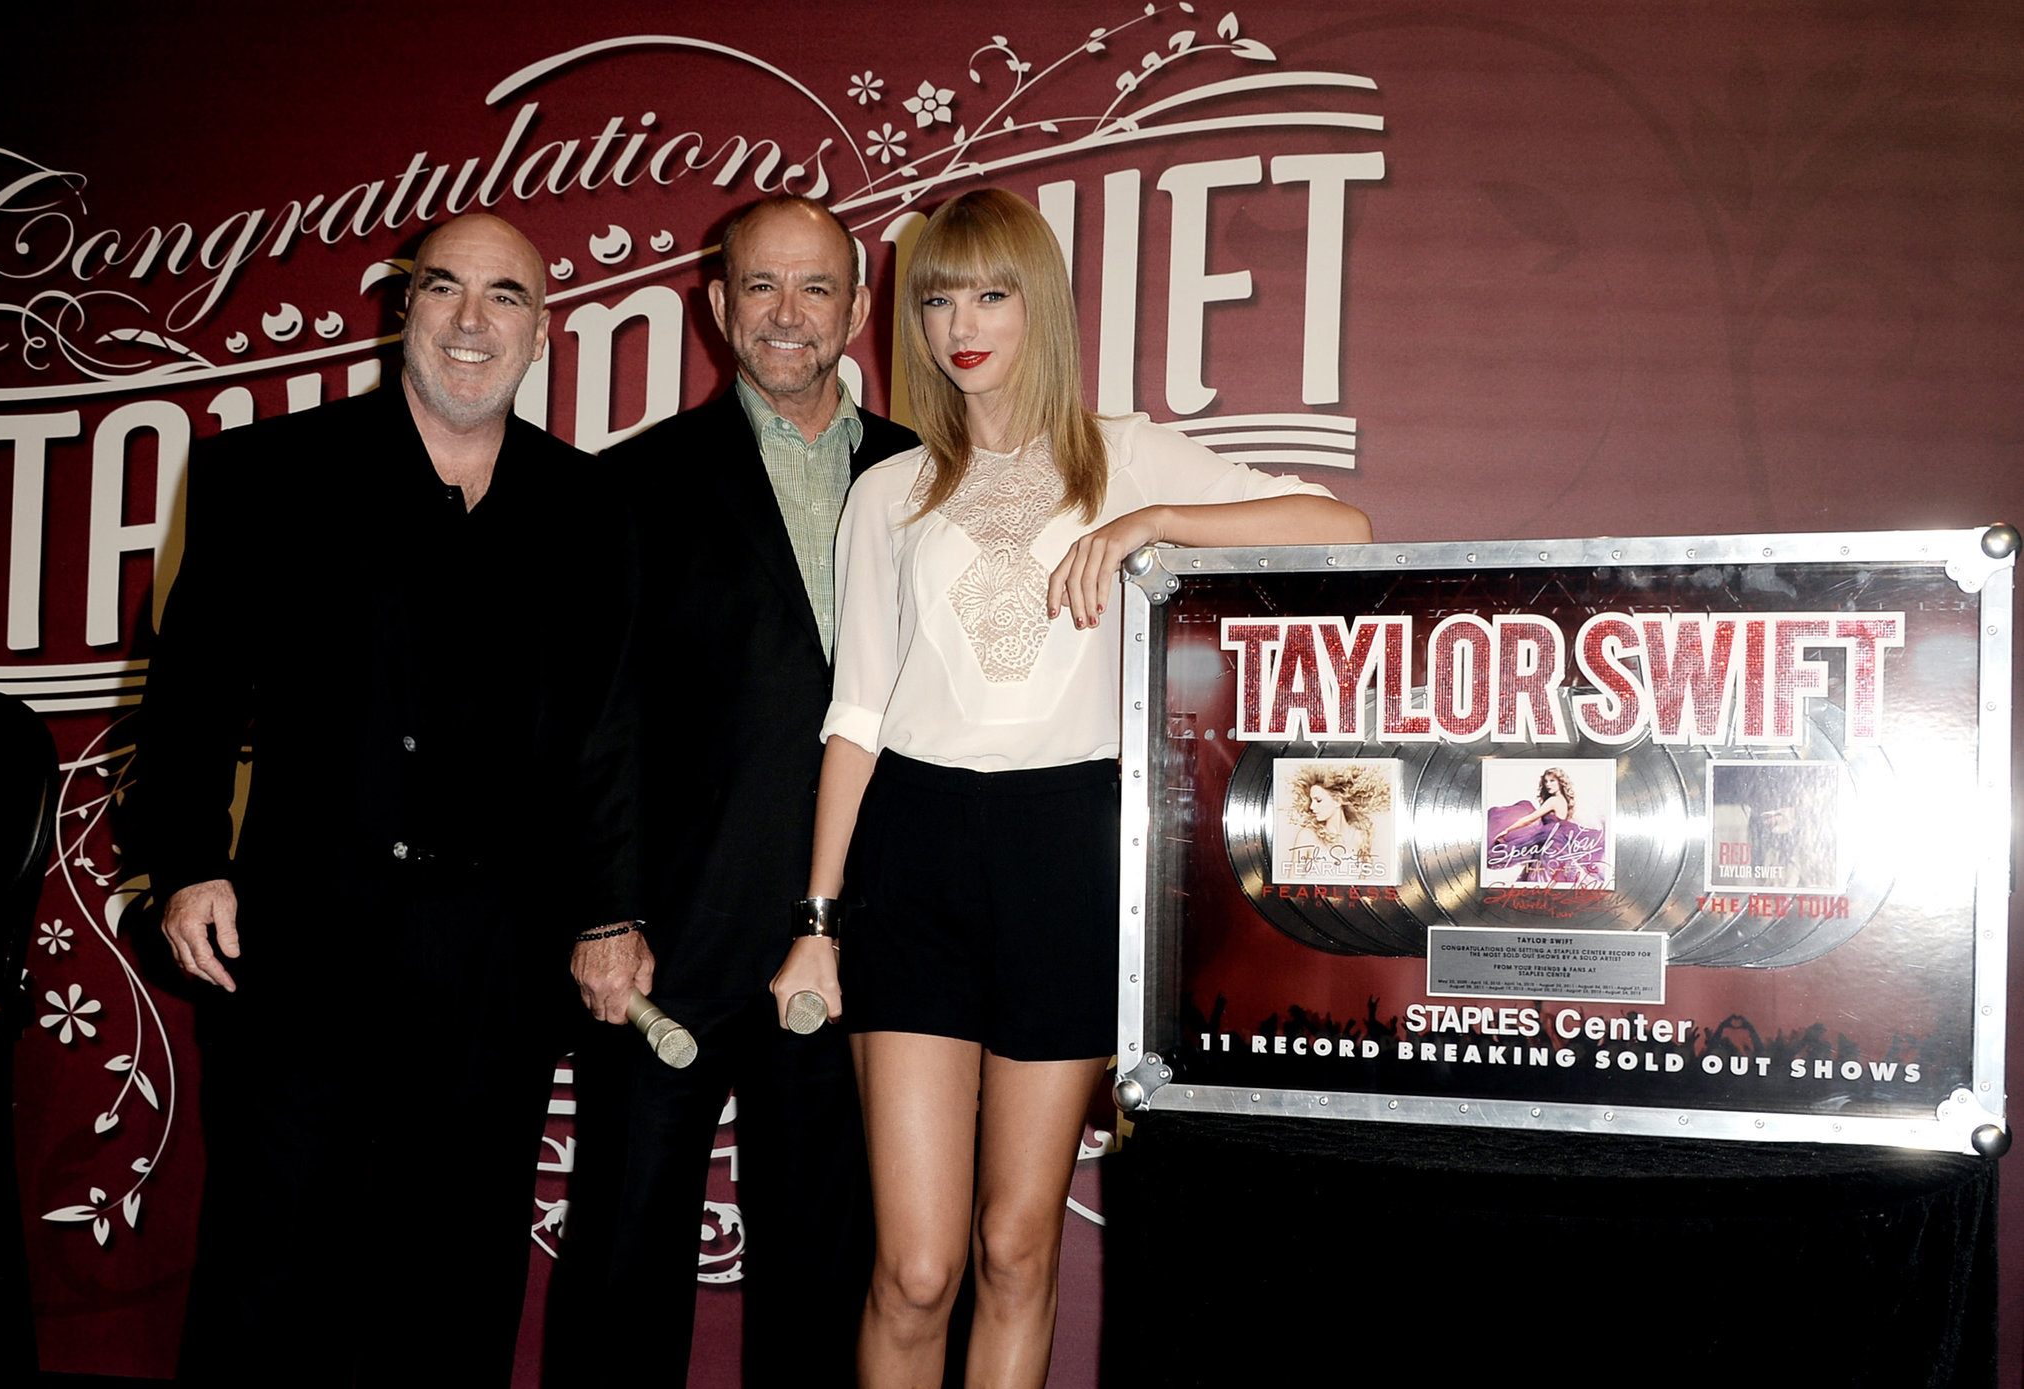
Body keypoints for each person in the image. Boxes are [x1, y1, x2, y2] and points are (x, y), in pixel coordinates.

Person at [769, 188, 1372, 1387]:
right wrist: (817, 924)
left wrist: (1154, 519)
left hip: (1073, 853)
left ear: (1039, 303)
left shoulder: (1125, 450)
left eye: (990, 293)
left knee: (1012, 1246)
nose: (960, 324)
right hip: (914, 858)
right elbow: (858, 717)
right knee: (916, 1268)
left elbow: (1341, 523)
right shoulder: (887, 492)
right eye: (936, 298)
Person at [131, 213, 639, 1385]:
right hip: (301, 938)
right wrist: (189, 861)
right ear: (403, 310)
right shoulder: (268, 473)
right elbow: (191, 695)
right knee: (273, 1266)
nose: (472, 322)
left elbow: (609, 732)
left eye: (504, 297)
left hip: (494, 965)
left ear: (542, 331)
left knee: (457, 1280)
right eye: (445, 290)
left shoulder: (587, 508)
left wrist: (610, 912)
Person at [548, 195, 916, 1388]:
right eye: (761, 287)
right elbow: (595, 722)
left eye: (817, 288)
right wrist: (604, 916)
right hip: (671, 934)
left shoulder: (929, 479)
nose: (788, 315)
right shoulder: (633, 486)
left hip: (859, 938)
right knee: (620, 1254)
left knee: (825, 1262)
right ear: (718, 307)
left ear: (859, 309)